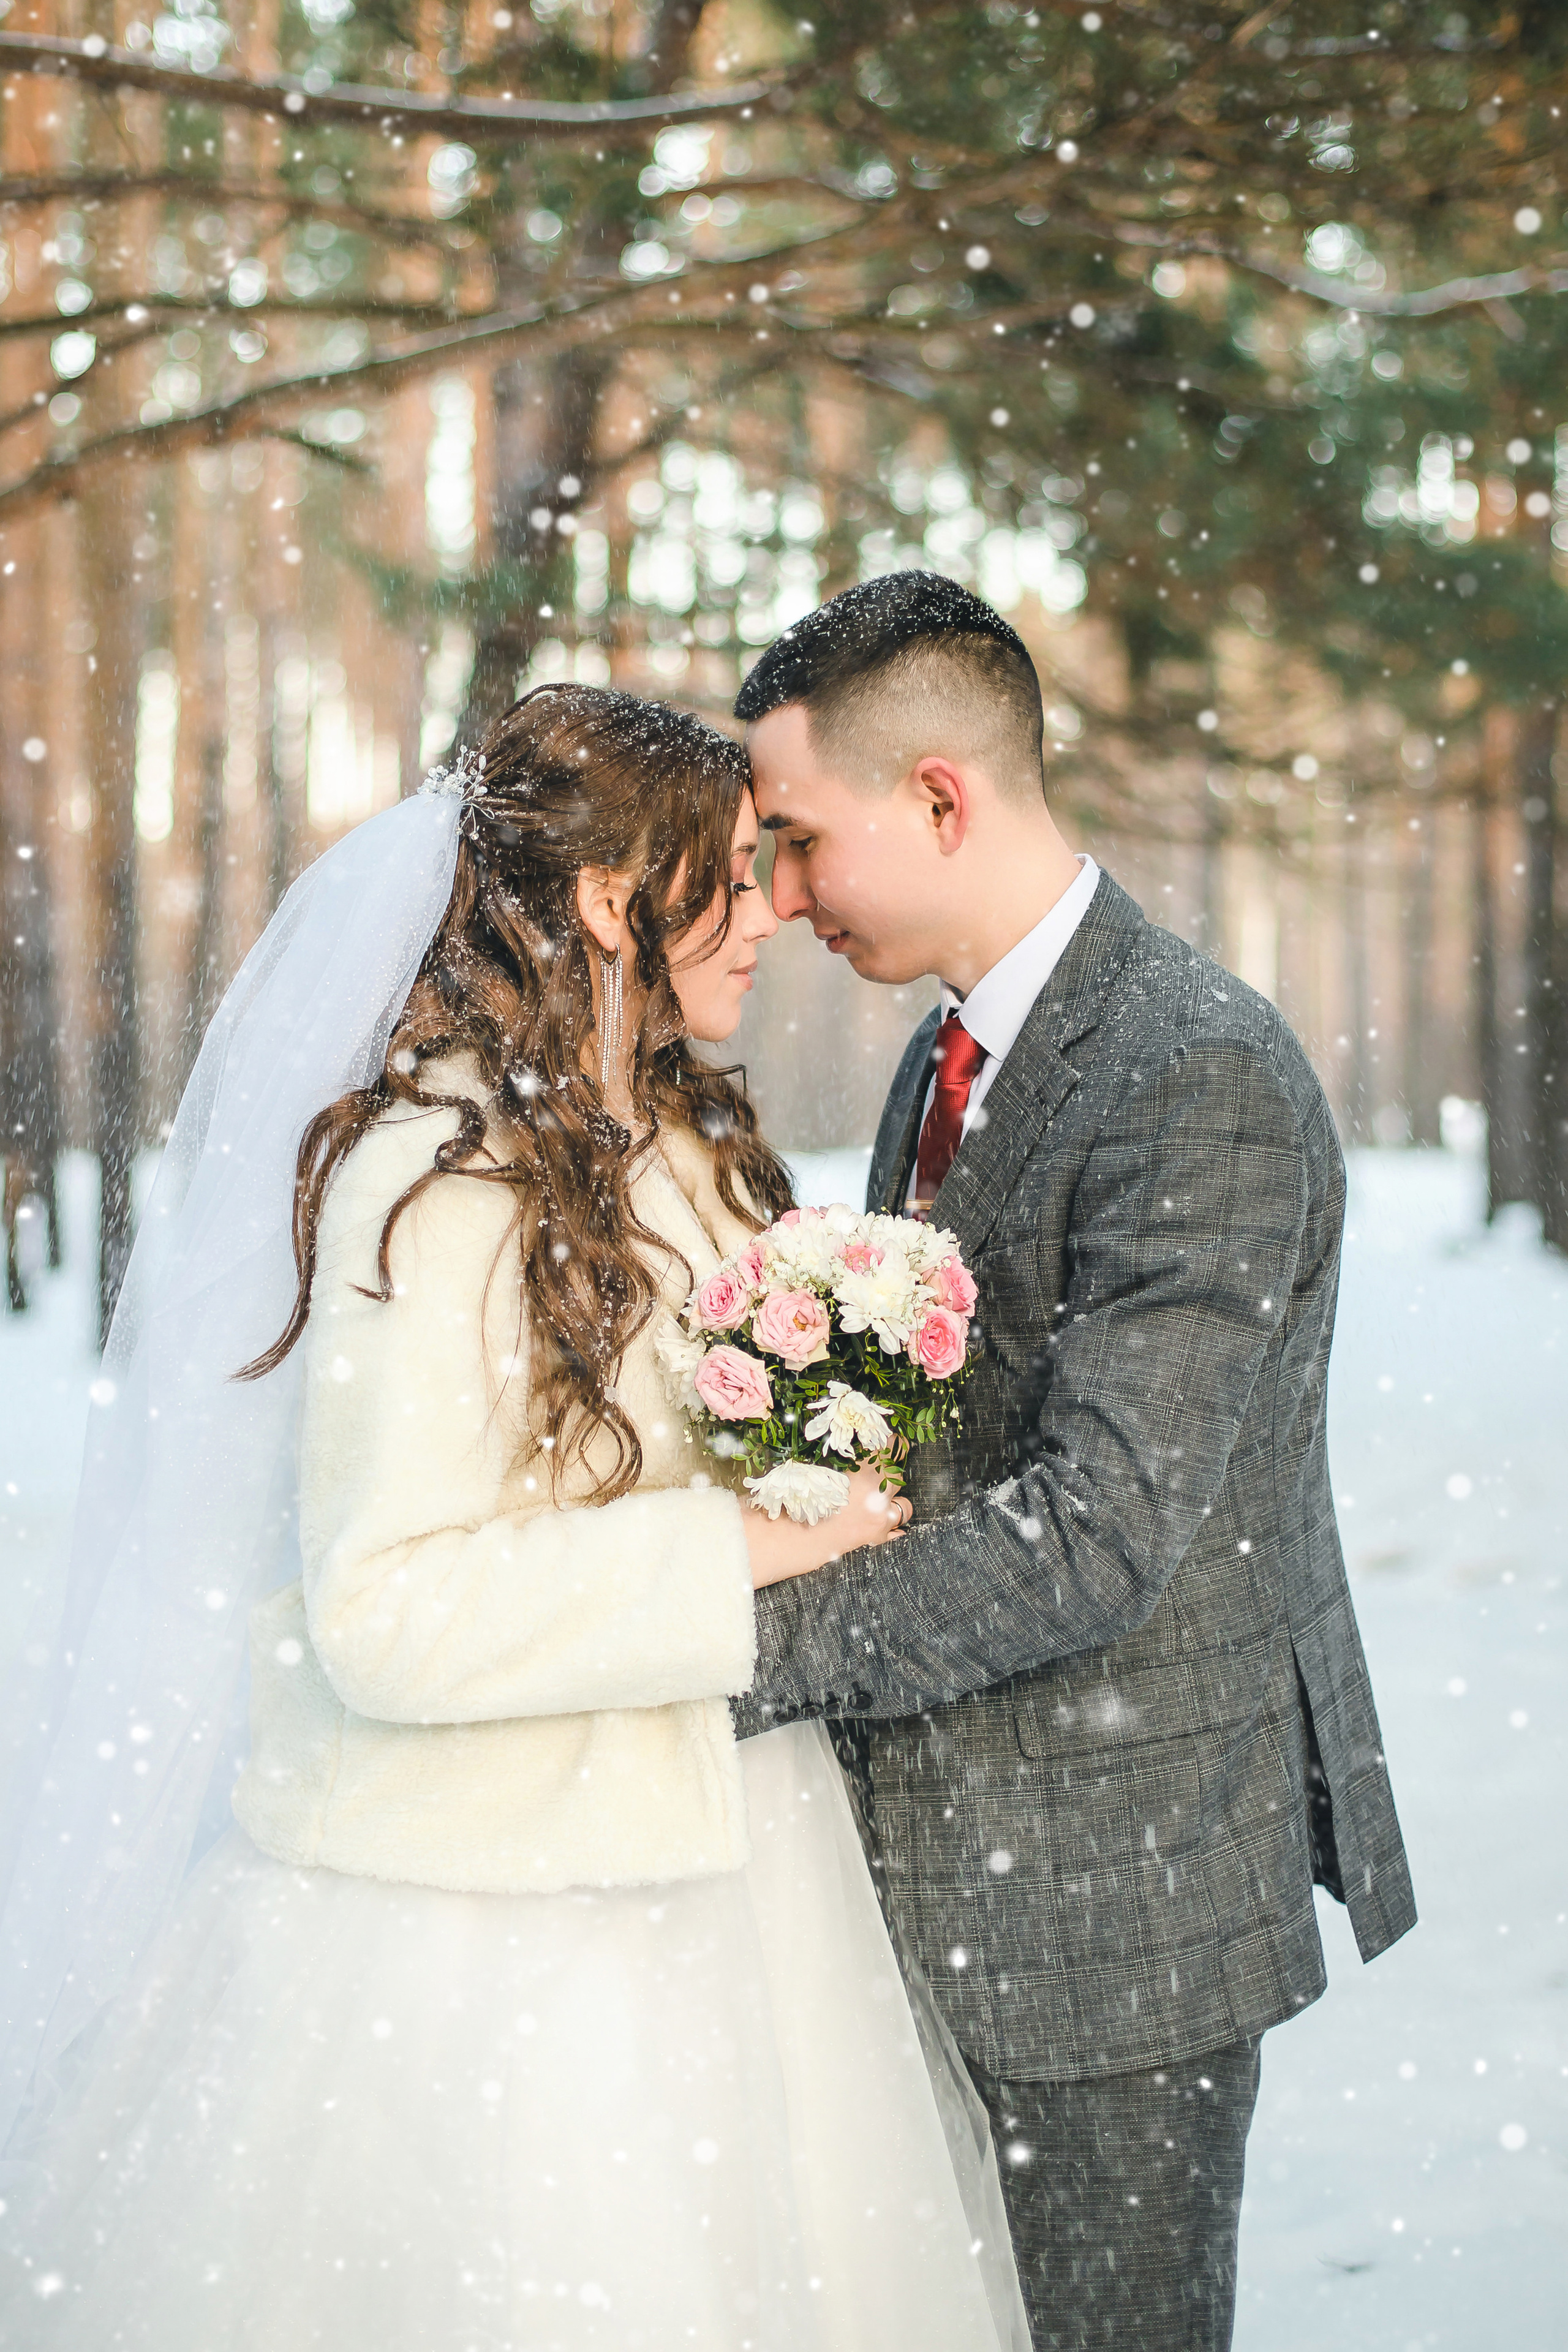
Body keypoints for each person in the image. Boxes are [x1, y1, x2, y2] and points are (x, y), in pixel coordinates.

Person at [0, 685, 1030, 2350]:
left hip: (730, 1870)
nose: (770, 911)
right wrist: (738, 1551)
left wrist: (828, 1439)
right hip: (481, 1938)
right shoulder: (436, 1185)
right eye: (730, 872)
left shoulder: (686, 1142)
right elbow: (385, 1611)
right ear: (617, 902)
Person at [733, 572, 1418, 2352]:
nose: (781, 894)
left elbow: (1096, 1533)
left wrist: (712, 1646)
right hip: (942, 1866)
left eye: (802, 839)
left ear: (941, 798)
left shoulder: (1198, 1073)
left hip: (1115, 1903)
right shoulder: (941, 1057)